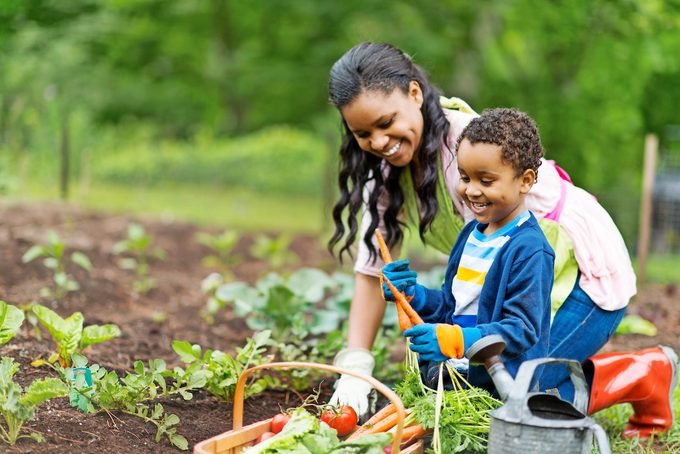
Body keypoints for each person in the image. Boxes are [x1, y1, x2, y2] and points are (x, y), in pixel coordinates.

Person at [327, 41, 677, 439]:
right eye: (363, 133)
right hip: (514, 287)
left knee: (513, 396)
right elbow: (373, 273)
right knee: (467, 384)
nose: (378, 141)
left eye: (386, 122)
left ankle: (642, 374)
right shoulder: (386, 170)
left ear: (414, 93)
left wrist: (465, 340)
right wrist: (356, 368)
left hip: (582, 275)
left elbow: (523, 307)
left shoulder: (472, 155)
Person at [386, 107, 554, 394]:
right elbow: (453, 309)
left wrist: (457, 341)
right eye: (464, 177)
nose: (472, 191)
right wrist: (415, 296)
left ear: (525, 181)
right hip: (456, 378)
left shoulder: (530, 250)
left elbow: (522, 330)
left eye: (486, 181)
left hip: (499, 390)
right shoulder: (470, 234)